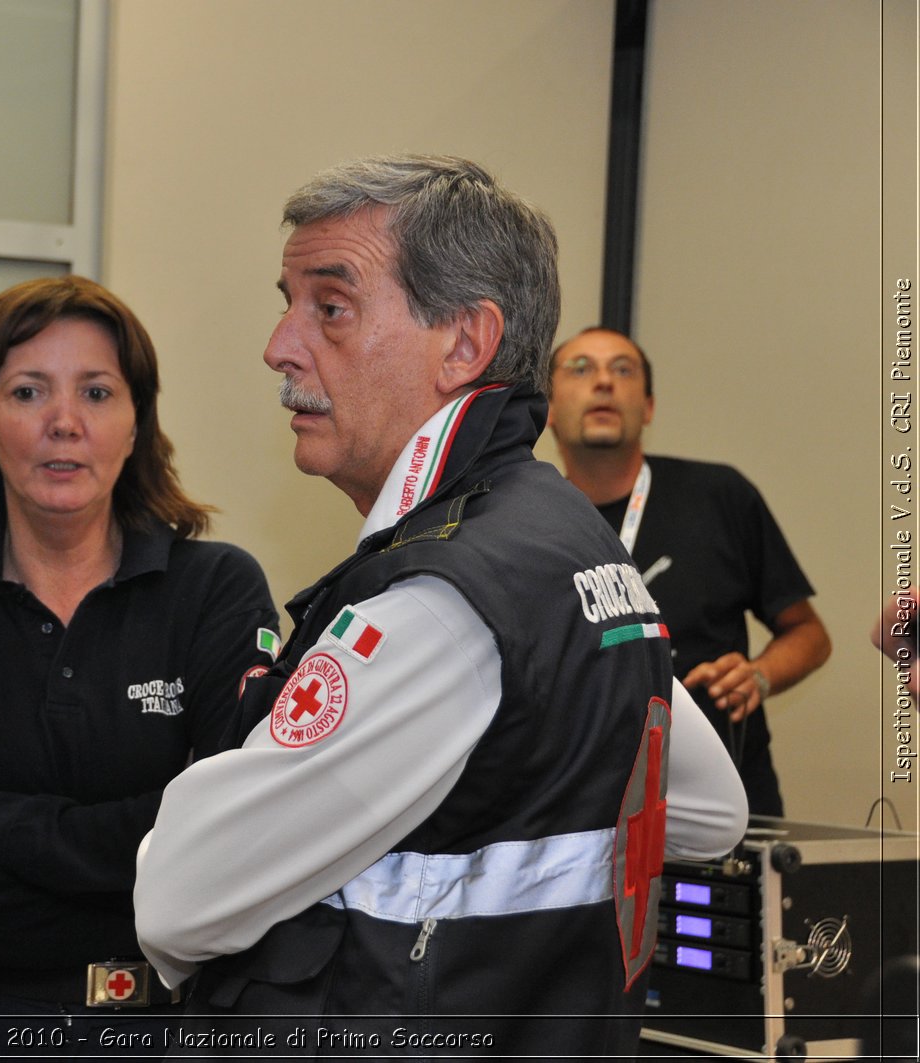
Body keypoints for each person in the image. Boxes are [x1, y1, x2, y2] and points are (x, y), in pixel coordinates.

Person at [132, 155, 748, 1057]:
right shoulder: (566, 536)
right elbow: (704, 807)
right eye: (287, 300)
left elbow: (176, 901)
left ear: (464, 343)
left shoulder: (438, 599)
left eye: (329, 307)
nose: (280, 344)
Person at [0, 275, 280, 1051]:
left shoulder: (215, 589)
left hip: (175, 1026)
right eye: (27, 392)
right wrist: (135, 884)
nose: (63, 423)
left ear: (135, 422)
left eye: (95, 392)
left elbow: (235, 831)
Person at [547, 326, 832, 816]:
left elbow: (810, 635)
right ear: (547, 408)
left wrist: (759, 676)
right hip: (580, 809)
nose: (603, 383)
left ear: (650, 407)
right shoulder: (527, 520)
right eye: (580, 368)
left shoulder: (719, 497)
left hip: (718, 804)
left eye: (623, 369)